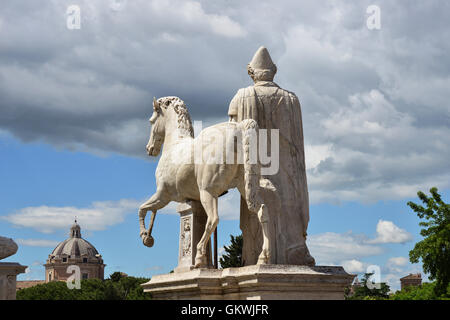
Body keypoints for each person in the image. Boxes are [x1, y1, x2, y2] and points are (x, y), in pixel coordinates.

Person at [228, 46, 315, 266]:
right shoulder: (291, 100)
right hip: (288, 169)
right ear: (273, 70)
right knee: (288, 209)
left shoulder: (242, 97)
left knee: (259, 210)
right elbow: (298, 143)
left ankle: (259, 253)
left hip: (255, 168)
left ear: (251, 72)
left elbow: (230, 139)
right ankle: (293, 250)